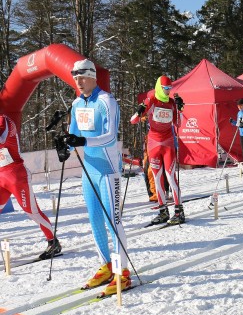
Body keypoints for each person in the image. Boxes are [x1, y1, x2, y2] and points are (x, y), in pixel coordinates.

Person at [59, 58, 128, 296]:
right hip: (90, 169)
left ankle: (123, 273)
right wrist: (65, 146)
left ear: (93, 77)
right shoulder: (77, 103)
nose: (78, 81)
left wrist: (82, 141)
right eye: (75, 78)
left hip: (108, 169)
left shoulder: (106, 101)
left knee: (113, 221)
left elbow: (110, 136)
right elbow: (74, 134)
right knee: (94, 219)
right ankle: (107, 266)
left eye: (82, 77)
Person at [0, 114, 62, 260]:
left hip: (16, 176)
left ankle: (53, 242)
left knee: (32, 212)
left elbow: (2, 140)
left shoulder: (4, 120)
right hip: (1, 177)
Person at [130, 75, 184, 225]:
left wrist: (180, 109)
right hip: (153, 144)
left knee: (171, 176)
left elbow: (178, 124)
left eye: (170, 89)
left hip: (167, 144)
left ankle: (179, 211)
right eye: (165, 89)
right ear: (159, 88)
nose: (168, 91)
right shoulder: (151, 100)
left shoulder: (172, 103)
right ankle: (163, 211)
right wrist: (139, 110)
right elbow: (133, 120)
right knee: (157, 178)